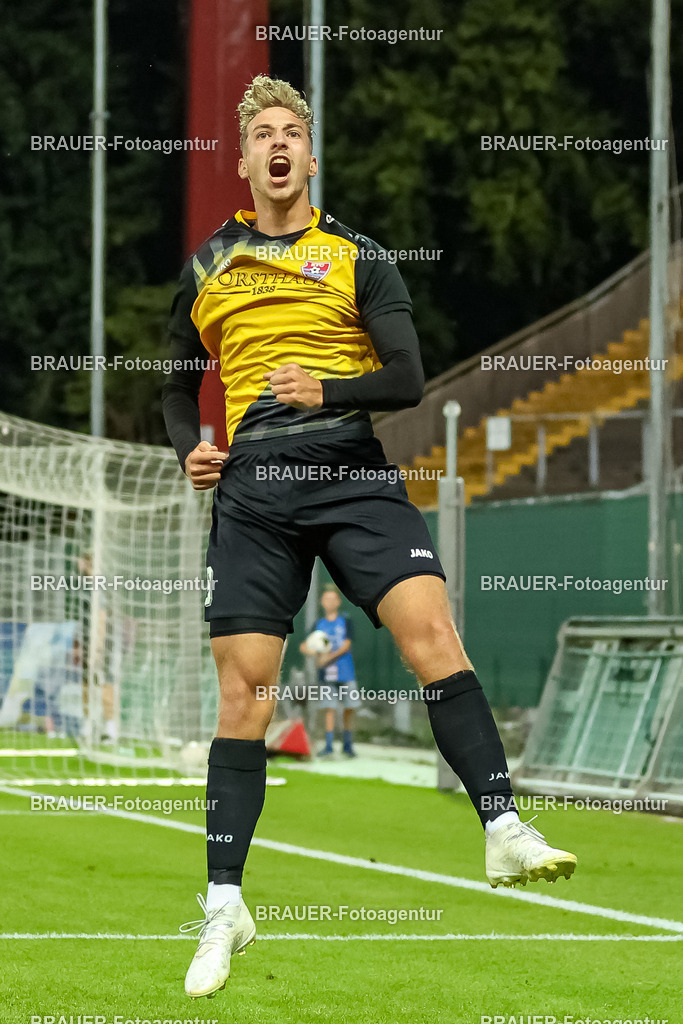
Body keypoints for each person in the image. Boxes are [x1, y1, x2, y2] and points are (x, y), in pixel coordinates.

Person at [162, 74, 577, 1001]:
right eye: (262, 133)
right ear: (244, 160)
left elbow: (407, 377)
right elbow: (175, 382)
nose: (277, 144)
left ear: (309, 157)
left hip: (350, 471)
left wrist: (329, 390)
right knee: (245, 695)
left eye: (291, 133)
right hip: (255, 492)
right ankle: (224, 904)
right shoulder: (209, 264)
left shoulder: (358, 256)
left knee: (433, 635)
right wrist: (189, 444)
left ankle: (502, 827)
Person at [300, 583, 360, 758]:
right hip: (327, 675)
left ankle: (347, 746)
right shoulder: (318, 625)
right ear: (322, 602)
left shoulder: (345, 621)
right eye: (326, 599)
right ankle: (328, 746)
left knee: (349, 707)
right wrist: (317, 654)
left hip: (346, 672)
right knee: (330, 708)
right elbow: (304, 646)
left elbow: (346, 645)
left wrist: (328, 657)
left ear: (338, 602)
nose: (330, 602)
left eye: (333, 599)